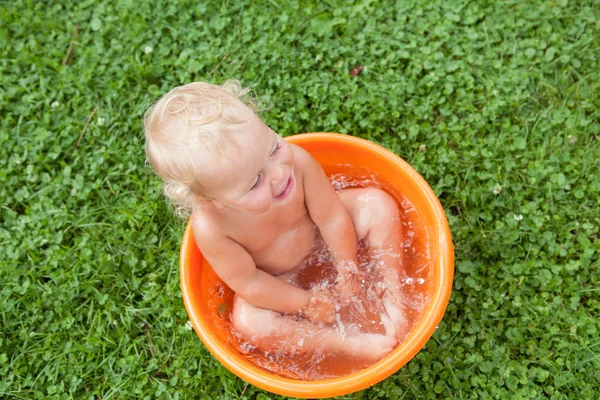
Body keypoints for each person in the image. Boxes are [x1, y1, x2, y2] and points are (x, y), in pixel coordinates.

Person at [144, 80, 407, 362]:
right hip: (281, 278)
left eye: (273, 149)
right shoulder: (212, 228)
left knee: (377, 206)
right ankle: (343, 341)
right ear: (213, 200)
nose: (280, 174)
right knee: (248, 322)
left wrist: (347, 266)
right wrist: (305, 303)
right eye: (255, 181)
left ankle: (395, 295)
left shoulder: (299, 164)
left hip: (320, 235)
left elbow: (331, 217)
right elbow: (251, 283)